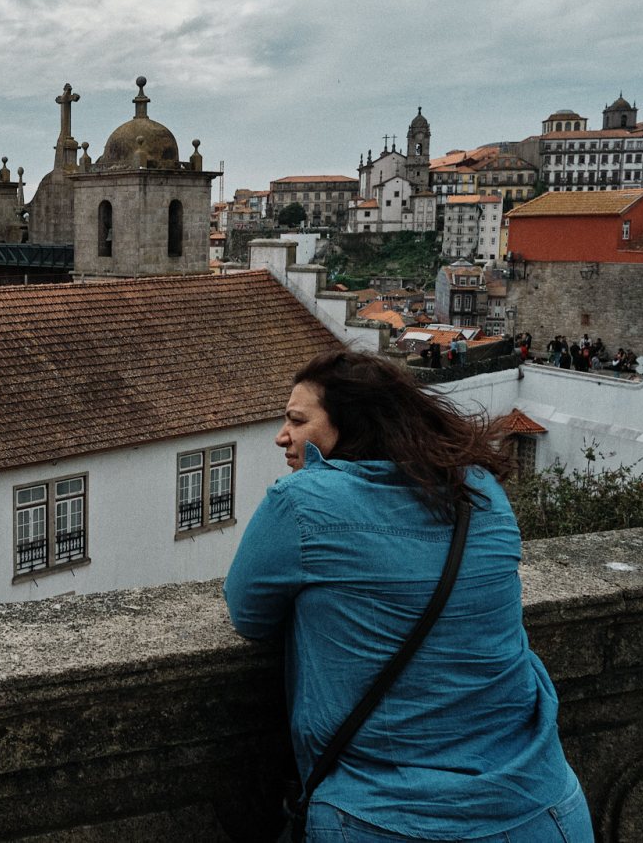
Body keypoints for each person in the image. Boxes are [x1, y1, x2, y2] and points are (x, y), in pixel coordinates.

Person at [223, 351, 592, 842]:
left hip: (384, 817)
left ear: (352, 424)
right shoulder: (479, 491)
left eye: (296, 420)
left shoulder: (302, 502)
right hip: (542, 809)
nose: (282, 436)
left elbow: (248, 613)